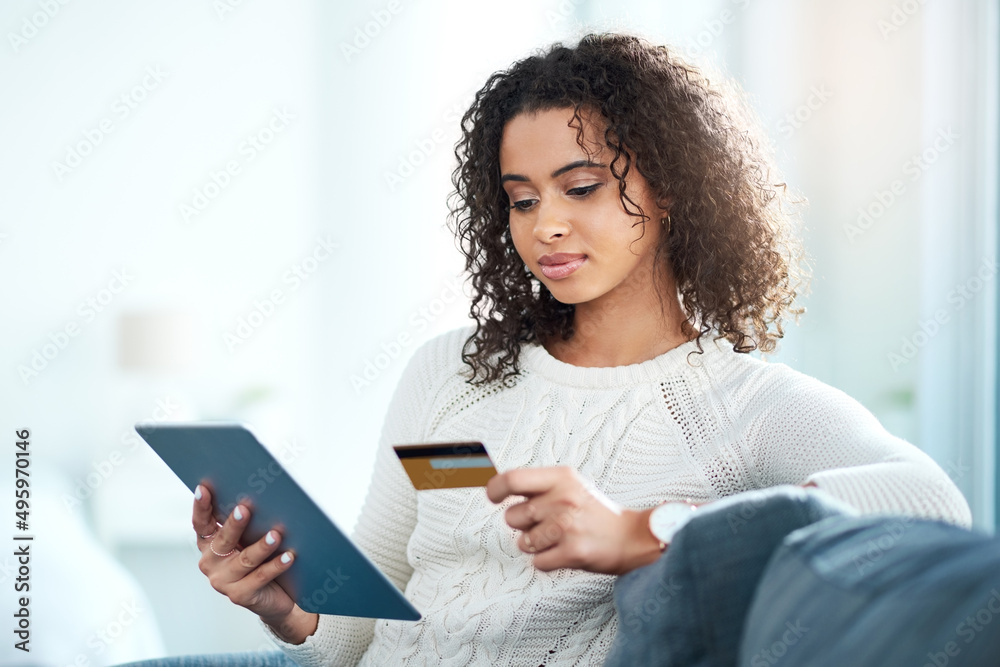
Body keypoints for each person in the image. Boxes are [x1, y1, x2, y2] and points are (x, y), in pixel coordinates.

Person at [124, 32, 971, 666]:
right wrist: (290, 612)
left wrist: (640, 530)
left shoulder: (741, 404)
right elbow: (354, 633)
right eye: (521, 200)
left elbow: (932, 502)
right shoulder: (450, 371)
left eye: (582, 187)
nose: (546, 225)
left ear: (672, 187)